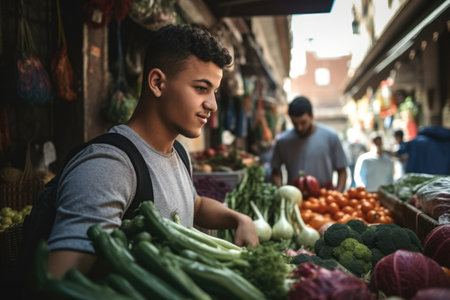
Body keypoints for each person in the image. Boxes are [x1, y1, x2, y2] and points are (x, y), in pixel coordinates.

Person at [47, 24, 258, 278]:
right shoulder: (109, 166)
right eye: (201, 88)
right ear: (157, 83)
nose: (212, 105)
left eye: (214, 92)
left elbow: (193, 204)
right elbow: (59, 279)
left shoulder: (178, 152)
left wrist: (238, 219)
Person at [270, 96, 348, 192]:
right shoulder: (283, 141)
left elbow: (342, 171)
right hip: (295, 199)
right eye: (295, 123)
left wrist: (337, 196)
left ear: (311, 116)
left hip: (324, 199)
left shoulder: (331, 137)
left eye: (303, 123)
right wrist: (282, 192)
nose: (299, 128)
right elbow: (275, 172)